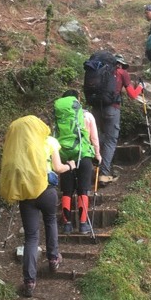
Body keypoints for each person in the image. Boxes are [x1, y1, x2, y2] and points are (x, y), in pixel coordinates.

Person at [0, 115, 71, 298]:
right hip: (47, 191)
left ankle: (29, 282)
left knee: (31, 238)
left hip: (27, 196)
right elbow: (57, 167)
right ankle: (53, 259)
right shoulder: (49, 141)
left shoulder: (19, 148)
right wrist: (70, 165)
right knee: (50, 222)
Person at [90, 53, 144, 184]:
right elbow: (132, 94)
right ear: (120, 64)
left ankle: (96, 162)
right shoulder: (122, 72)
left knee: (100, 136)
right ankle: (104, 174)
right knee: (110, 140)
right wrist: (141, 87)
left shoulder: (99, 71)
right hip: (112, 109)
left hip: (96, 109)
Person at [54, 90, 101, 235]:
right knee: (83, 189)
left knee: (67, 190)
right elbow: (94, 138)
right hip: (84, 155)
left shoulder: (59, 116)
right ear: (77, 99)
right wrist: (97, 155)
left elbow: (55, 137)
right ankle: (83, 224)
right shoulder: (87, 115)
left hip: (65, 155)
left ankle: (67, 224)